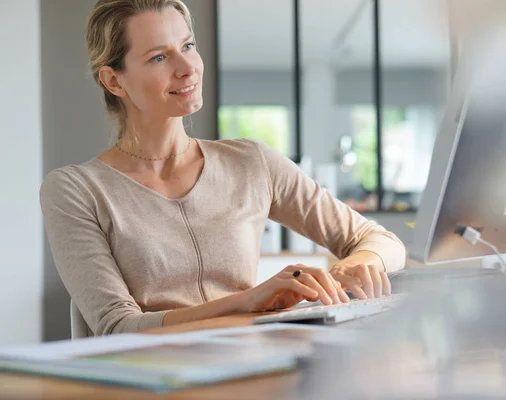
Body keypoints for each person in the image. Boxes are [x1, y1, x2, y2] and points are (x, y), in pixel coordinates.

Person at [40, 0, 406, 337]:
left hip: (249, 368)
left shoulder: (251, 162)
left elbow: (383, 241)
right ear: (113, 80)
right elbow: (117, 326)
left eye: (187, 46)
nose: (187, 69)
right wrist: (249, 302)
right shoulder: (75, 189)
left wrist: (356, 264)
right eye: (158, 58)